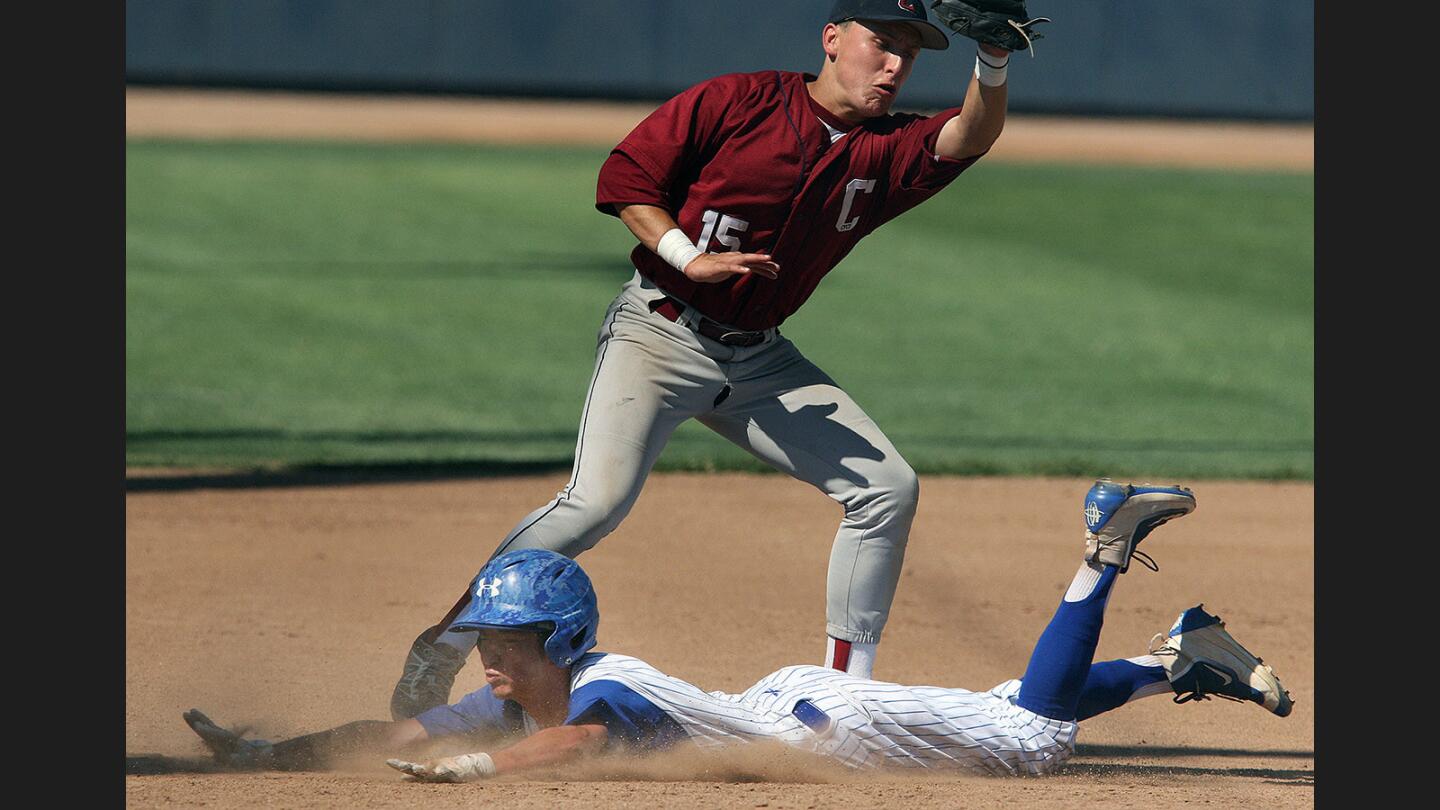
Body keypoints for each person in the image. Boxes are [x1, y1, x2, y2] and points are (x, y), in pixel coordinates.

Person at [390, 0, 1038, 720]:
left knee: (887, 488)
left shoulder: (884, 148)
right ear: (831, 39)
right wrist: (685, 257)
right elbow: (628, 180)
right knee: (593, 504)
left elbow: (968, 134)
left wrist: (994, 61)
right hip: (659, 334)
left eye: (908, 55)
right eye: (879, 43)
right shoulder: (738, 101)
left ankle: (842, 699)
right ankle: (444, 645)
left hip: (759, 363)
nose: (892, 65)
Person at [186, 480, 1294, 779]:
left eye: (506, 640)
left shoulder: (600, 689)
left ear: (559, 642)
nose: (488, 655)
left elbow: (575, 746)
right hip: (798, 710)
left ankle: (1104, 549)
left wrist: (483, 768)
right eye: (489, 638)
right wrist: (269, 754)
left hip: (835, 727)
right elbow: (403, 735)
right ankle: (1171, 657)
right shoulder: (533, 689)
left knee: (1034, 739)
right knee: (1013, 713)